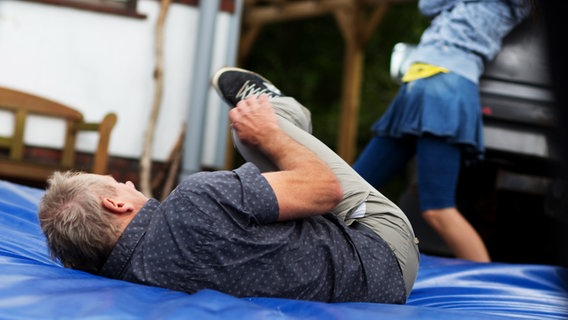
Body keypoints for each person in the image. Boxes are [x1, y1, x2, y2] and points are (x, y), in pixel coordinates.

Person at [38, 67, 420, 304]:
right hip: (382, 249)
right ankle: (280, 107)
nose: (127, 180)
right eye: (117, 184)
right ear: (114, 205)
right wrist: (269, 136)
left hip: (376, 288)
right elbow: (325, 188)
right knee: (249, 135)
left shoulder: (131, 279)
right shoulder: (194, 201)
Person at [353, 0, 531, 262]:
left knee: (438, 209)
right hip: (418, 84)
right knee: (353, 186)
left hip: (446, 86)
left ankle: (488, 285)